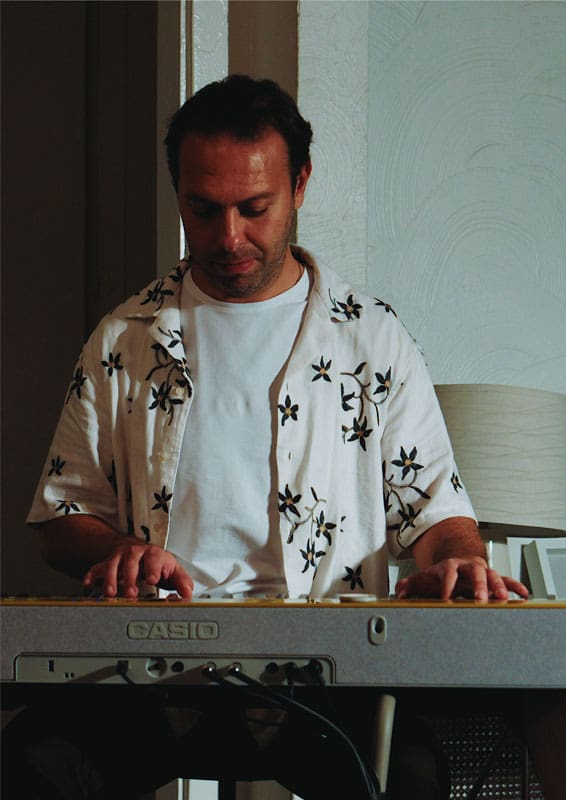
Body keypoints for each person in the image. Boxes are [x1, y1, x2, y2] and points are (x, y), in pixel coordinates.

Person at [4, 75, 528, 800]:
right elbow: (63, 520)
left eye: (254, 208)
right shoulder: (124, 337)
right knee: (34, 764)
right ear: (178, 194)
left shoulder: (371, 338)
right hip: (151, 679)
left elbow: (436, 512)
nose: (229, 238)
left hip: (327, 680)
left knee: (414, 775)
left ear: (300, 184)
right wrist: (118, 551)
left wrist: (462, 561)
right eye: (203, 209)